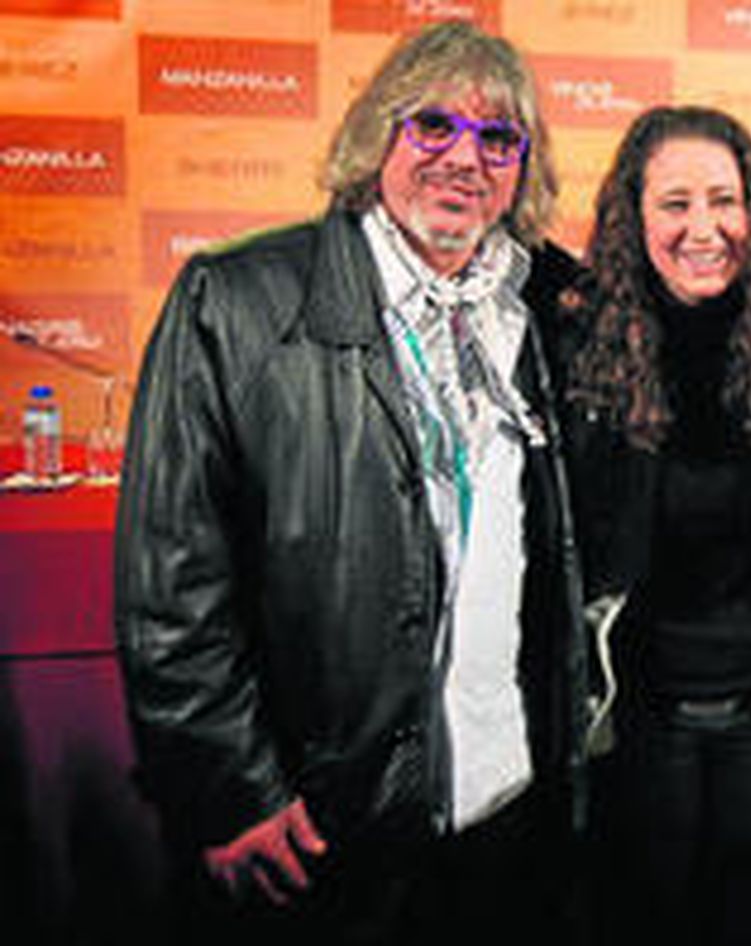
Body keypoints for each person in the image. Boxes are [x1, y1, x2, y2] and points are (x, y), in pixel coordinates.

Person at [113, 21, 588, 945]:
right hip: (325, 826)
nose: (465, 158)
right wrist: (227, 789)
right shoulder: (237, 301)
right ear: (379, 139)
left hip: (505, 805)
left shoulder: (541, 310)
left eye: (499, 139)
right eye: (434, 126)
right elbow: (173, 586)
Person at [556, 105, 751, 944]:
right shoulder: (581, 346)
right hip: (640, 726)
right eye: (675, 204)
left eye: (724, 201)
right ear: (636, 217)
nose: (705, 228)